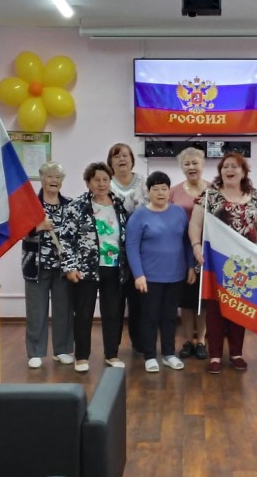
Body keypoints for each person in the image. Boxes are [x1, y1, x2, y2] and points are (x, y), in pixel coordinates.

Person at [189, 152, 257, 374]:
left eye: (234, 166)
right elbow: (195, 224)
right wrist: (196, 246)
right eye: (225, 167)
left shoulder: (255, 196)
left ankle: (236, 353)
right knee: (215, 309)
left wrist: (256, 252)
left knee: (239, 308)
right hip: (216, 261)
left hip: (244, 265)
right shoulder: (210, 195)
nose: (229, 170)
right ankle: (214, 355)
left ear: (243, 172)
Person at [62, 162, 128, 373]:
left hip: (114, 268)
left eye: (105, 180)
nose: (101, 184)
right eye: (97, 180)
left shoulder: (119, 205)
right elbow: (66, 239)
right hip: (86, 269)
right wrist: (70, 267)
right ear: (88, 182)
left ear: (110, 181)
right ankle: (82, 357)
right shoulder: (77, 206)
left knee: (113, 313)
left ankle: (112, 354)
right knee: (83, 314)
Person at [127, 171, 195, 372]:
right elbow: (131, 246)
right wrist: (138, 274)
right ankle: (149, 355)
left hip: (176, 275)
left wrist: (191, 266)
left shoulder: (179, 213)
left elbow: (187, 242)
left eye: (164, 189)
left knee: (170, 316)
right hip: (149, 277)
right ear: (148, 192)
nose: (160, 193)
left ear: (168, 191)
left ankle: (168, 354)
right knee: (149, 316)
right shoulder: (139, 215)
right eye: (155, 189)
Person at [21, 161, 74, 369]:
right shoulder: (31, 204)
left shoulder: (69, 204)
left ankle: (62, 350)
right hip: (36, 266)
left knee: (64, 310)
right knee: (36, 311)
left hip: (63, 268)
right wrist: (37, 227)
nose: (54, 180)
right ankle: (35, 352)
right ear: (41, 179)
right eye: (50, 176)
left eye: (58, 177)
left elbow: (75, 234)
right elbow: (17, 231)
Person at [169, 147, 209, 360]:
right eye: (187, 164)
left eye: (195, 163)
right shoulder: (173, 192)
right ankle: (187, 341)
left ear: (202, 165)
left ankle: (201, 340)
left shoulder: (214, 190)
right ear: (182, 167)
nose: (191, 167)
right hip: (180, 252)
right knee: (185, 300)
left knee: (202, 300)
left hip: (207, 252)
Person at [107, 142, 146, 354]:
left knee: (138, 300)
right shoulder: (105, 183)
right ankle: (112, 347)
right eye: (116, 156)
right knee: (115, 301)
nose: (121, 159)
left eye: (125, 155)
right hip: (112, 250)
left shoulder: (144, 182)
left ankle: (139, 344)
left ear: (132, 159)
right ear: (110, 162)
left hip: (140, 250)